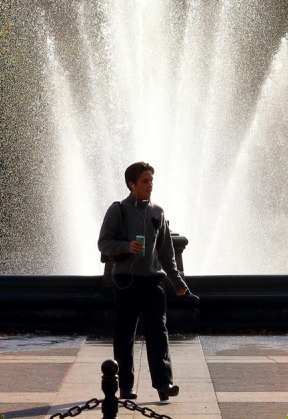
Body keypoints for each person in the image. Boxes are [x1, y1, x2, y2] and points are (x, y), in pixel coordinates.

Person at [98, 161, 188, 403]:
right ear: (132, 184)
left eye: (151, 181)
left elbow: (167, 252)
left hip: (152, 283)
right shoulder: (118, 210)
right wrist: (126, 246)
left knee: (158, 333)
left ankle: (164, 384)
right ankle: (125, 387)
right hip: (126, 282)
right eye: (145, 181)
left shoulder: (158, 211)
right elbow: (103, 244)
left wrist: (178, 281)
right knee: (125, 336)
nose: (150, 185)